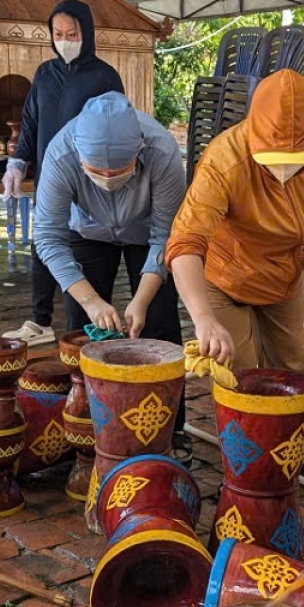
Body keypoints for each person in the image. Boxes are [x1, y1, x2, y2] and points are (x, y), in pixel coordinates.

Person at [165, 69, 304, 489]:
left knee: (296, 360)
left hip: (285, 273)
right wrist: (204, 319)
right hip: (225, 277)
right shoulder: (225, 158)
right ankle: (249, 460)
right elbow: (185, 243)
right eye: (273, 161)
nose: (284, 171)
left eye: (295, 161)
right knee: (242, 375)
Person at [33, 92, 191, 461]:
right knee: (80, 328)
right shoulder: (61, 154)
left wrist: (141, 300)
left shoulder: (163, 152)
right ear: (79, 155)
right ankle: (85, 422)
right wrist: (90, 300)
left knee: (160, 322)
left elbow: (166, 236)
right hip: (88, 233)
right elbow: (48, 237)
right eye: (96, 172)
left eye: (117, 171)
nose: (107, 178)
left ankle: (172, 428)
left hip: (146, 234)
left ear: (138, 151)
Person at [2, 0, 124, 347]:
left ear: (86, 33)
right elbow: (30, 122)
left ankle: (87, 321)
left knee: (81, 246)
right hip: (49, 175)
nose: (66, 40)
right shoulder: (45, 73)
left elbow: (114, 127)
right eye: (58, 34)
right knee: (43, 242)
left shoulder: (104, 76)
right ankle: (40, 321)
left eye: (73, 33)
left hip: (88, 178)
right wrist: (18, 161)